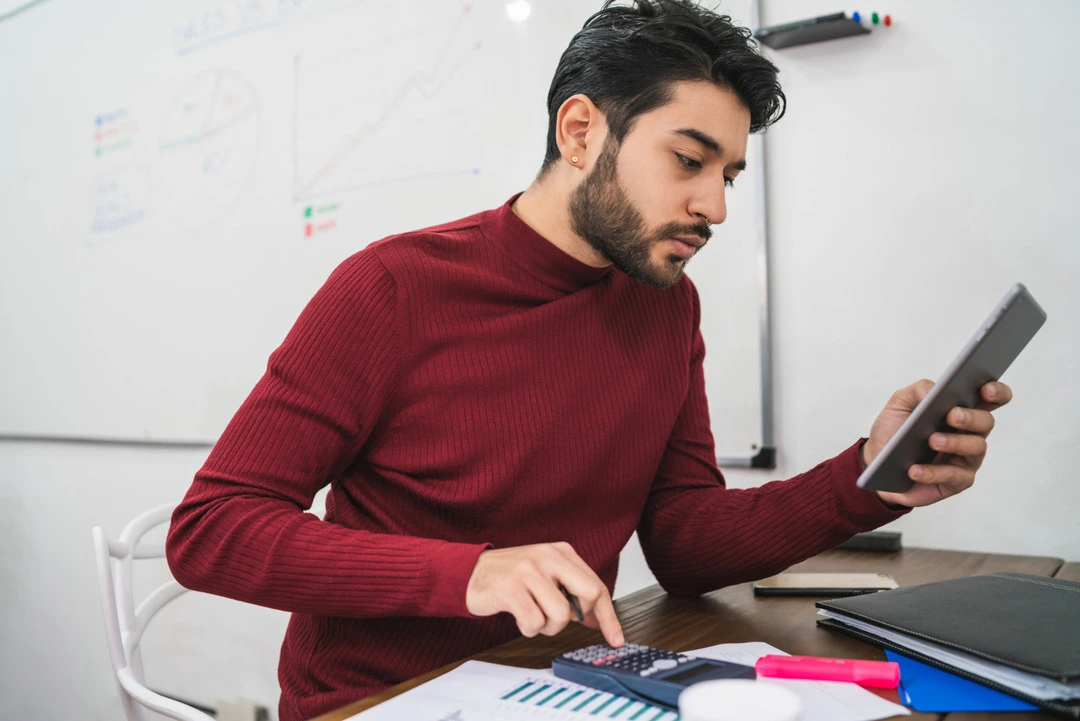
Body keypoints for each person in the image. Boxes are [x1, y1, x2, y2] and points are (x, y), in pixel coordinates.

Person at [166, 2, 1012, 720]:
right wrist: (471, 572)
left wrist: (866, 475)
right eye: (688, 160)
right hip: (385, 697)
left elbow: (682, 540)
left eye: (729, 173)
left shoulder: (666, 302)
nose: (713, 205)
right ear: (581, 132)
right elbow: (211, 530)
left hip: (562, 685)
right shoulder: (393, 287)